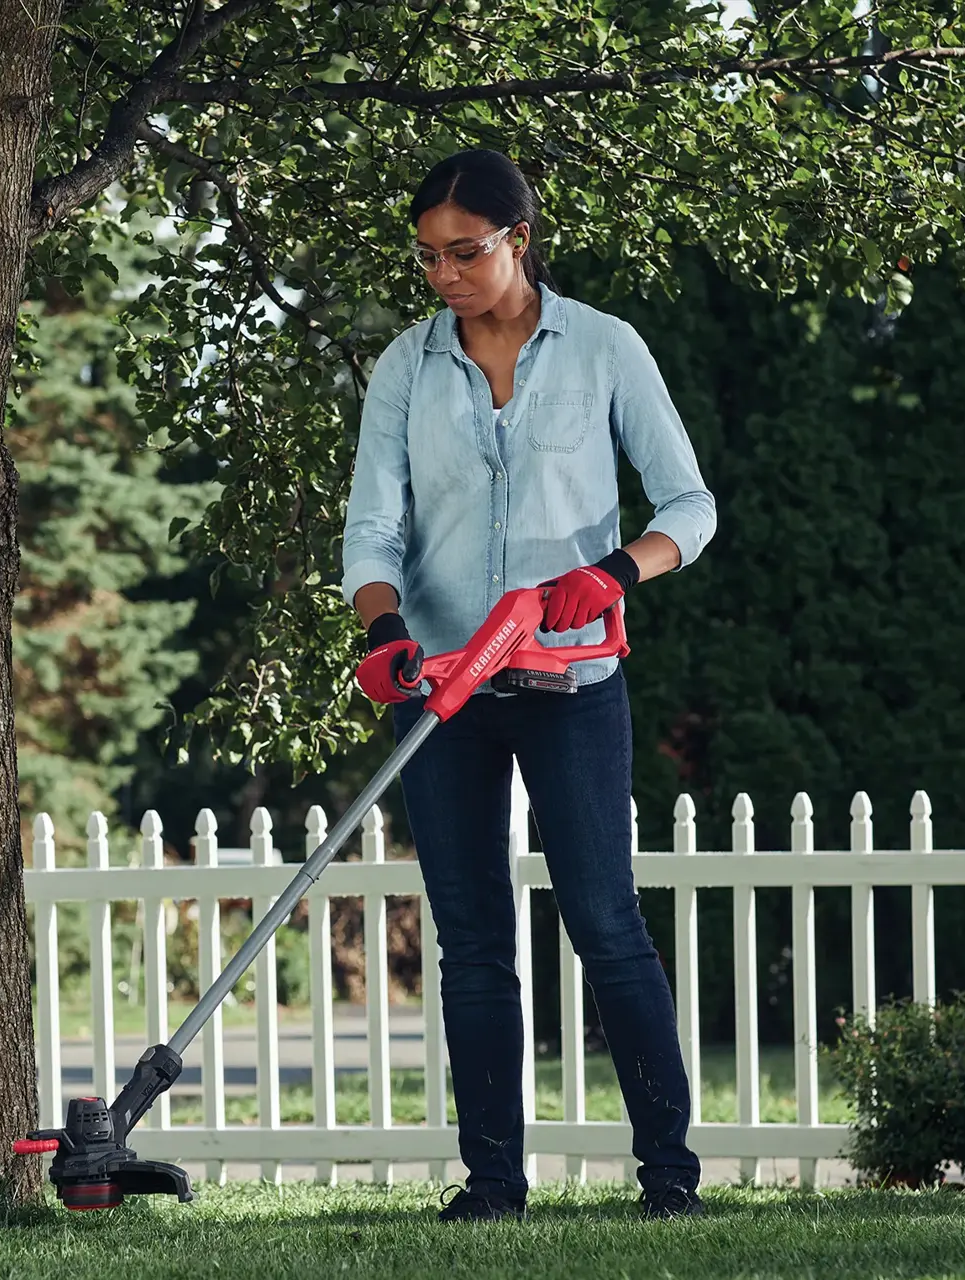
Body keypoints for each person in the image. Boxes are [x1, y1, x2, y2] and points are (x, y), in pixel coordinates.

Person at [339, 149, 717, 1223]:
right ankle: (494, 1183)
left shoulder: (604, 349)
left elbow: (690, 507)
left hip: (570, 678)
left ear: (520, 239)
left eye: (467, 252)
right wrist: (383, 630)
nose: (445, 275)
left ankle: (669, 1178)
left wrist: (606, 575)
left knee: (605, 923)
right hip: (444, 687)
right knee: (472, 942)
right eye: (428, 257)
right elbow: (374, 524)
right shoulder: (406, 369)